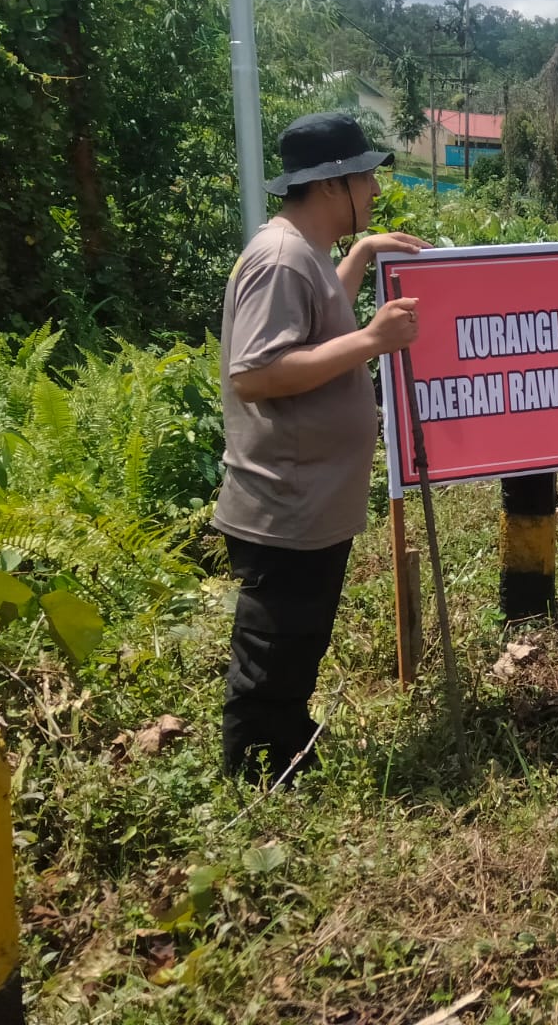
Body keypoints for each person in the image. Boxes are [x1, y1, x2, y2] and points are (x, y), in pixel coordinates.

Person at [214, 111, 429, 780]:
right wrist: (371, 340)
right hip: (285, 504)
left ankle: (286, 748)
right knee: (273, 648)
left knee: (298, 643)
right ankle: (253, 775)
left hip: (308, 501)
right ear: (334, 185)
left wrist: (360, 257)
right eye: (366, 177)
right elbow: (255, 373)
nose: (372, 190)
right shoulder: (279, 260)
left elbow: (309, 330)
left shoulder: (302, 256)